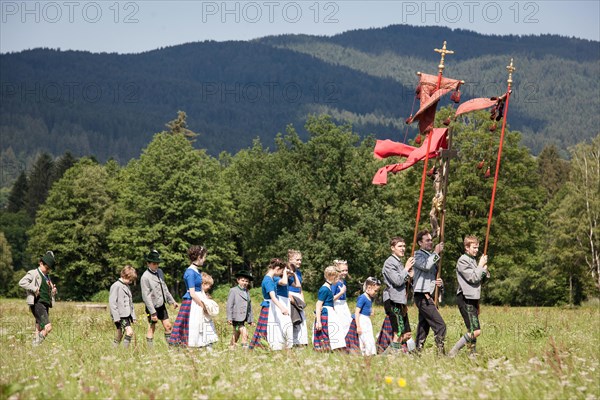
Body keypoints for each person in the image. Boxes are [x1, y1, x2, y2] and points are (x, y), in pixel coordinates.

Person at [449, 235, 490, 357]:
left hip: (473, 299)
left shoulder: (472, 260)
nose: (477, 250)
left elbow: (480, 280)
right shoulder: (463, 260)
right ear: (467, 247)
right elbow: (473, 278)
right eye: (474, 247)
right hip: (465, 299)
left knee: (472, 330)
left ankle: (472, 355)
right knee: (476, 331)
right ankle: (452, 352)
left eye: (477, 247)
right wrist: (480, 266)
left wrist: (484, 271)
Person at [378, 237, 416, 354]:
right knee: (398, 332)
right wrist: (406, 269)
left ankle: (387, 356)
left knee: (406, 333)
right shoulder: (389, 263)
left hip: (401, 301)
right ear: (392, 248)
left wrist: (410, 276)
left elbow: (404, 281)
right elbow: (397, 281)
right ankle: (389, 359)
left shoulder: (398, 262)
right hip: (393, 300)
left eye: (404, 246)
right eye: (400, 246)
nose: (403, 248)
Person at [413, 230, 446, 354]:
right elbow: (426, 266)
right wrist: (436, 252)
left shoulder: (431, 256)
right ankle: (440, 353)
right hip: (422, 295)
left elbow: (432, 275)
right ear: (420, 243)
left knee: (424, 327)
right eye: (427, 240)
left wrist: (439, 283)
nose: (431, 242)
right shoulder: (417, 255)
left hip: (429, 294)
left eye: (431, 240)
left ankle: (417, 352)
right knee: (440, 325)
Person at [250, 258, 293, 350]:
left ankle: (267, 347)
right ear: (277, 268)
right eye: (281, 271)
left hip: (271, 306)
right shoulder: (268, 280)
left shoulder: (270, 279)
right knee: (267, 328)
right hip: (269, 307)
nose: (281, 273)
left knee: (269, 328)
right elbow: (273, 297)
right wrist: (282, 308)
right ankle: (262, 348)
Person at [169, 245, 207, 348]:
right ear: (199, 257)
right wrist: (202, 305)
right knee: (189, 326)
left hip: (197, 300)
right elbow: (192, 293)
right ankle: (187, 346)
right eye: (204, 257)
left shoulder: (196, 271)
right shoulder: (190, 272)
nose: (205, 259)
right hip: (191, 302)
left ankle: (199, 345)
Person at [140, 249, 179, 347]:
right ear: (148, 263)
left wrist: (172, 301)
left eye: (157, 263)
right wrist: (152, 312)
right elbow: (146, 296)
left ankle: (171, 348)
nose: (156, 265)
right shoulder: (145, 277)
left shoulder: (160, 272)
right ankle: (150, 351)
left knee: (168, 326)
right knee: (152, 327)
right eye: (154, 263)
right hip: (152, 307)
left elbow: (164, 288)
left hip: (161, 305)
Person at [19, 251, 57, 346]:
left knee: (39, 328)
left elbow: (48, 290)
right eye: (46, 268)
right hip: (38, 303)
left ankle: (34, 349)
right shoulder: (33, 273)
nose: (47, 270)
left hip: (45, 304)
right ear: (40, 263)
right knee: (48, 327)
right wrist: (34, 288)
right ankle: (35, 344)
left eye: (49, 269)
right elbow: (22, 282)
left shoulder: (47, 276)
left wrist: (53, 291)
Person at [313, 266, 346, 352]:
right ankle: (326, 348)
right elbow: (318, 304)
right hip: (327, 313)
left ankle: (332, 348)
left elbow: (330, 300)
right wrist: (319, 321)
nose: (338, 280)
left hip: (331, 312)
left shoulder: (329, 287)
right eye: (337, 277)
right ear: (332, 276)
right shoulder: (324, 289)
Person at [345, 277, 381, 356]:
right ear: (369, 287)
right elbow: (357, 312)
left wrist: (370, 312)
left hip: (367, 320)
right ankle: (365, 352)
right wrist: (358, 326)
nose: (376, 293)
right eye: (375, 290)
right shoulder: (362, 298)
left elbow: (367, 309)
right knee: (364, 336)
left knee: (369, 335)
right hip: (361, 320)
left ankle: (371, 352)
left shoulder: (370, 298)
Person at [109, 265, 138, 348]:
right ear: (124, 276)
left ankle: (113, 350)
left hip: (126, 315)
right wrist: (116, 317)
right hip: (120, 316)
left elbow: (130, 303)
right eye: (130, 280)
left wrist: (133, 316)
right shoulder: (116, 286)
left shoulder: (127, 286)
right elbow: (112, 303)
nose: (131, 282)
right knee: (129, 332)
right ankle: (125, 351)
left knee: (120, 334)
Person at [226, 270, 254, 349]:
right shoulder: (233, 290)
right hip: (236, 317)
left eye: (246, 281)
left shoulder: (247, 292)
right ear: (238, 280)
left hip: (244, 317)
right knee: (245, 332)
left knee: (236, 334)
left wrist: (251, 320)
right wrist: (229, 318)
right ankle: (245, 349)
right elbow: (229, 305)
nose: (244, 283)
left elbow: (249, 307)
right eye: (242, 280)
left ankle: (231, 347)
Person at [287, 249, 308, 346]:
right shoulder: (286, 271)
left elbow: (300, 287)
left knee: (301, 319)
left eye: (300, 260)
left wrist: (302, 300)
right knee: (292, 319)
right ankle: (290, 342)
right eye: (297, 260)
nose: (300, 262)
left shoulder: (299, 272)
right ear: (290, 259)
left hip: (298, 296)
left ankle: (300, 342)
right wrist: (289, 296)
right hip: (289, 296)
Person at [196, 272, 220, 349]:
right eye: (208, 285)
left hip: (206, 319)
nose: (209, 287)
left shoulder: (204, 294)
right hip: (201, 319)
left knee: (208, 337)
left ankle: (209, 351)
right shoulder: (198, 294)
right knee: (202, 336)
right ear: (203, 283)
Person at [332, 259, 352, 337]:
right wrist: (341, 293)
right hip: (337, 305)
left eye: (346, 270)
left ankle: (347, 341)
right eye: (342, 270)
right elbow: (331, 298)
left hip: (344, 304)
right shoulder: (335, 282)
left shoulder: (343, 281)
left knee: (348, 322)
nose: (345, 272)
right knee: (342, 323)